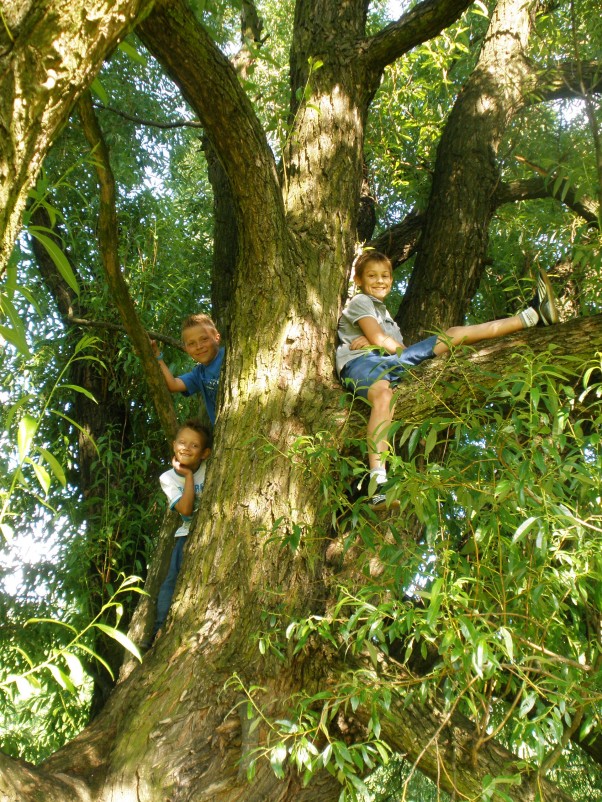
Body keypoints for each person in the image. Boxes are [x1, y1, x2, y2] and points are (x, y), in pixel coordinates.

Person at [336, 251, 559, 510]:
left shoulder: (389, 320)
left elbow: (394, 346)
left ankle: (531, 317)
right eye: (372, 276)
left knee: (442, 346)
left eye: (385, 275)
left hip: (384, 364)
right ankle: (378, 484)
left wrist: (386, 344)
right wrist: (378, 342)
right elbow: (384, 342)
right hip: (359, 364)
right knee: (391, 389)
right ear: (359, 280)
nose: (380, 280)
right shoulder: (361, 301)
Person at [153, 419, 212, 639]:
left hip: (210, 532)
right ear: (173, 445)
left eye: (194, 445)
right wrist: (187, 476)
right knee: (172, 580)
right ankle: (160, 629)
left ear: (205, 453)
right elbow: (186, 510)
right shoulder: (168, 478)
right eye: (182, 442)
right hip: (186, 534)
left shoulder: (212, 466)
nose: (186, 448)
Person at [151, 313, 224, 426]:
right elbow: (173, 385)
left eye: (204, 339)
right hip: (226, 431)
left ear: (217, 338)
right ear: (186, 349)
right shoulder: (199, 373)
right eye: (191, 343)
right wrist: (158, 357)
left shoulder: (228, 356)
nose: (199, 346)